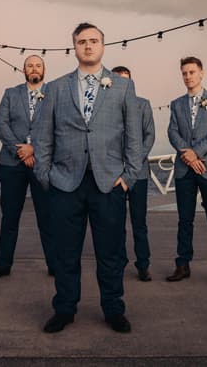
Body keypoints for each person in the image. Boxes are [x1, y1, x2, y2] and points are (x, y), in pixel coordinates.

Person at [34, 22, 142, 334]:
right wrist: (46, 176)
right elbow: (43, 138)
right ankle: (64, 309)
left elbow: (133, 138)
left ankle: (113, 309)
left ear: (103, 46)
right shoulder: (55, 88)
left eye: (94, 41)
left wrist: (129, 177)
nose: (88, 46)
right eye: (82, 41)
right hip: (65, 183)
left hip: (108, 183)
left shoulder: (123, 87)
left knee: (110, 253)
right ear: (74, 47)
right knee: (66, 253)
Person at [0, 55, 54, 279]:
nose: (34, 69)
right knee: (10, 217)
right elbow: (1, 124)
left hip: (42, 163)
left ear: (44, 70)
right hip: (11, 164)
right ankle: (3, 265)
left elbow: (58, 125)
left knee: (47, 217)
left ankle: (54, 265)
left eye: (38, 65)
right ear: (23, 70)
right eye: (30, 65)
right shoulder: (10, 93)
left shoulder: (54, 94)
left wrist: (33, 148)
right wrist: (20, 151)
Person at [166, 56, 207, 288]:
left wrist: (195, 152)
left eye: (192, 72)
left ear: (202, 73)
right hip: (185, 169)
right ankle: (182, 264)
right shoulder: (176, 104)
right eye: (184, 73)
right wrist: (187, 155)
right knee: (185, 219)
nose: (188, 77)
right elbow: (172, 132)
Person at [112, 65, 155, 282]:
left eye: (126, 80)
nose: (123, 83)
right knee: (116, 223)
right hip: (114, 175)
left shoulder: (143, 105)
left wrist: (134, 161)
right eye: (118, 79)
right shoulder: (106, 108)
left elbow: (150, 136)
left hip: (138, 173)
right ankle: (119, 262)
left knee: (139, 222)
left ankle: (143, 264)